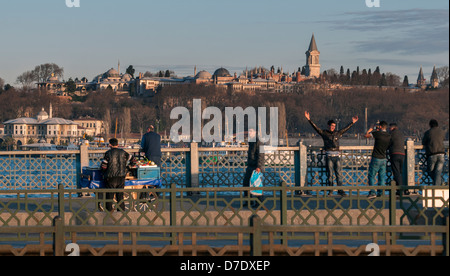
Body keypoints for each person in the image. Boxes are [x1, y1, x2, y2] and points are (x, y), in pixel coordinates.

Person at [305, 111, 359, 196]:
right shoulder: (324, 133)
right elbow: (316, 128)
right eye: (332, 126)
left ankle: (340, 190)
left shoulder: (338, 133)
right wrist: (309, 120)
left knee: (339, 174)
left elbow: (346, 128)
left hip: (337, 156)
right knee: (330, 174)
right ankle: (330, 190)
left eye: (334, 126)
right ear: (328, 126)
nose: (333, 127)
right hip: (329, 156)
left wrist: (352, 122)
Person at [101, 138, 135, 211]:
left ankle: (109, 213)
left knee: (109, 197)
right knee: (120, 196)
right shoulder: (124, 153)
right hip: (121, 177)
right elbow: (133, 159)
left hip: (110, 178)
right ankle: (121, 213)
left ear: (110, 145)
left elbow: (104, 166)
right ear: (117, 144)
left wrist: (103, 171)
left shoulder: (108, 153)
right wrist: (128, 167)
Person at [365, 121, 391, 199]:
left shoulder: (377, 133)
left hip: (376, 157)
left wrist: (370, 129)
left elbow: (366, 135)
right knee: (382, 177)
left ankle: (373, 192)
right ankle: (381, 193)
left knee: (371, 175)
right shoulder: (389, 135)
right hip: (384, 158)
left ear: (380, 126)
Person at [243, 128, 265, 207]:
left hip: (256, 166)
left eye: (251, 131)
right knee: (246, 183)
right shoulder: (251, 141)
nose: (249, 133)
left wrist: (259, 166)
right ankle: (249, 201)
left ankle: (259, 202)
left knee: (257, 184)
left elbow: (261, 154)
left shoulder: (259, 141)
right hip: (250, 165)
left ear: (255, 132)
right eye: (249, 131)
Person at [422, 119, 446, 186]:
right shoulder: (442, 132)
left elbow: (423, 142)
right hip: (441, 154)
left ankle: (438, 185)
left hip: (432, 154)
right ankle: (440, 183)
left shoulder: (428, 132)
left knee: (430, 171)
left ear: (430, 125)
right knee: (438, 172)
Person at [388, 123, 409, 195]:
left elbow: (389, 143)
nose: (389, 129)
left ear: (392, 128)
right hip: (402, 154)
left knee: (396, 172)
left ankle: (400, 190)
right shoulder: (401, 134)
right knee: (400, 172)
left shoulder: (391, 134)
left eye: (389, 128)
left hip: (394, 154)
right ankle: (401, 189)